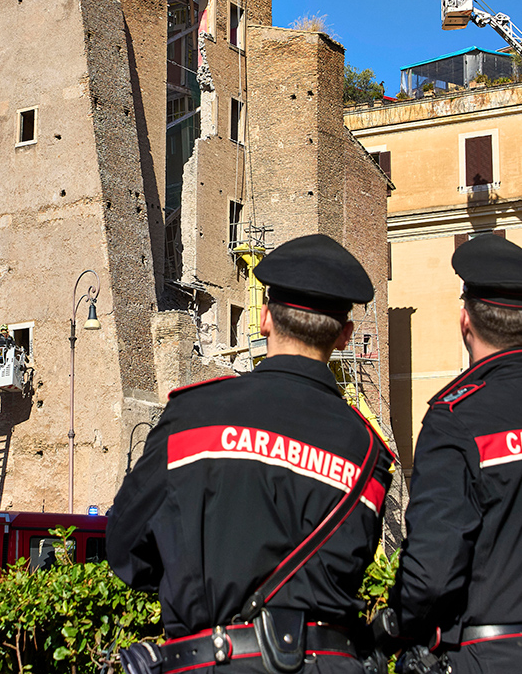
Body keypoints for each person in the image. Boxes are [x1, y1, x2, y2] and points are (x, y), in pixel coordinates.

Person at [108, 233, 394, 674]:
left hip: (210, 662)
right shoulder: (368, 452)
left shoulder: (191, 415)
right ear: (344, 337)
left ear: (263, 319)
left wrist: (192, 584)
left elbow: (125, 548)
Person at [380, 234, 522, 672]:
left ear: (465, 321)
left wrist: (397, 628)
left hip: (490, 656)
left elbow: (433, 570)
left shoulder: (456, 418)